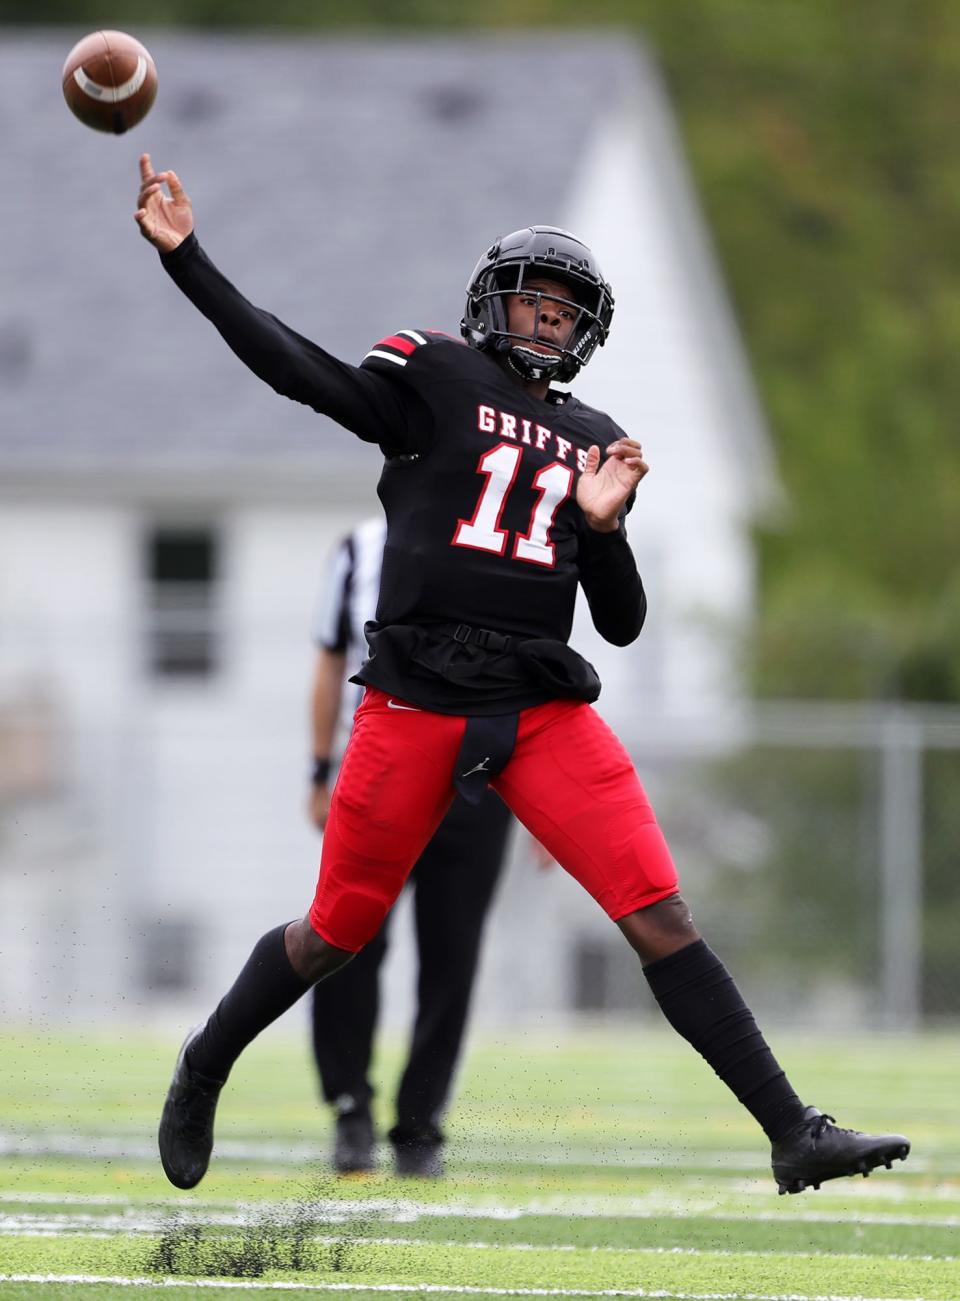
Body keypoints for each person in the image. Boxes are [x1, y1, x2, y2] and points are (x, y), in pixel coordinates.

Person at [135, 153, 909, 1197]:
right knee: (333, 934)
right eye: (533, 304)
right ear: (491, 303)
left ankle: (792, 1130)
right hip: (416, 695)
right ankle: (205, 1062)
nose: (545, 324)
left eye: (564, 313)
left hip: (538, 708)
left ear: (587, 332)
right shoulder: (434, 372)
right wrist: (190, 260)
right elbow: (297, 368)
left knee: (659, 913)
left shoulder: (593, 440)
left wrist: (605, 526)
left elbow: (624, 622)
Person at [308, 515, 512, 1177]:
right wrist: (318, 767)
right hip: (382, 773)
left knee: (452, 955)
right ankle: (350, 1106)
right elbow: (330, 657)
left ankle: (420, 1124)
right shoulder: (360, 548)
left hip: (477, 779)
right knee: (346, 940)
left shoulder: (505, 533)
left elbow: (536, 672)